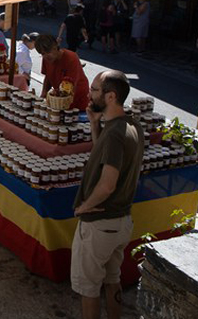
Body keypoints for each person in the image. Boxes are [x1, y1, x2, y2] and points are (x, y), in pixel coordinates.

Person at [71, 70, 144, 319]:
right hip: (121, 222)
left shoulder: (114, 134)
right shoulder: (129, 126)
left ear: (110, 96)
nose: (89, 93)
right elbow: (104, 153)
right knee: (113, 279)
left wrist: (83, 207)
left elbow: (107, 185)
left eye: (94, 89)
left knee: (89, 288)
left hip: (100, 224)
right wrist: (94, 124)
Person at [35, 34, 90, 110]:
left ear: (55, 47)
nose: (46, 56)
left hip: (77, 99)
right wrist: (43, 95)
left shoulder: (71, 58)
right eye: (42, 53)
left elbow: (70, 87)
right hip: (60, 100)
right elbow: (48, 77)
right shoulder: (46, 59)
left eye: (48, 52)